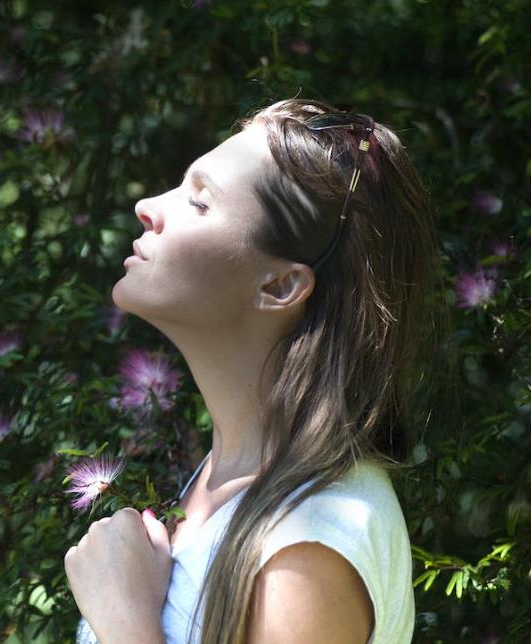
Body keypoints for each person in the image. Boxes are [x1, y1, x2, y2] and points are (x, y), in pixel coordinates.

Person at [64, 97, 448, 643]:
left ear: (280, 286)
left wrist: (123, 618)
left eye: (199, 201)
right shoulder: (228, 484)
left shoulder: (310, 544)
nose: (148, 206)